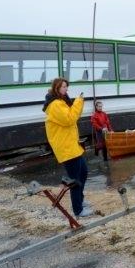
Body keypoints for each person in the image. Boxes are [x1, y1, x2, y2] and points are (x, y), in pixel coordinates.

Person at [43, 78, 94, 217]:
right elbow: (69, 119)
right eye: (63, 87)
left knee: (83, 172)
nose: (66, 89)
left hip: (72, 146)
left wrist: (76, 103)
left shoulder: (61, 102)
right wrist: (78, 102)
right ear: (56, 88)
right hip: (66, 148)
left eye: (66, 87)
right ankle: (78, 210)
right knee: (75, 179)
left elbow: (70, 116)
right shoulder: (55, 105)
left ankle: (80, 201)